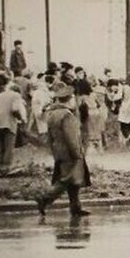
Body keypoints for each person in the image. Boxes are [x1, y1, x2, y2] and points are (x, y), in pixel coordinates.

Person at [36, 82, 91, 217]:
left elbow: (49, 137)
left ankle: (76, 207)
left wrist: (54, 151)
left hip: (59, 152)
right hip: (70, 153)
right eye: (72, 98)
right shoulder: (67, 115)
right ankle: (45, 198)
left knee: (74, 180)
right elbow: (71, 137)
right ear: (69, 99)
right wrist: (78, 154)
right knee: (67, 179)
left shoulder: (52, 114)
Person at [0, 73, 27, 169]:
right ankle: (7, 166)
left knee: (1, 146)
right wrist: (21, 119)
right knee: (9, 145)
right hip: (9, 123)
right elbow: (15, 109)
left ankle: (0, 164)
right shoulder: (15, 95)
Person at [114, 74, 130, 148]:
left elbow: (118, 97)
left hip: (125, 108)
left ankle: (128, 136)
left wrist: (114, 97)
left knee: (123, 126)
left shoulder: (124, 87)